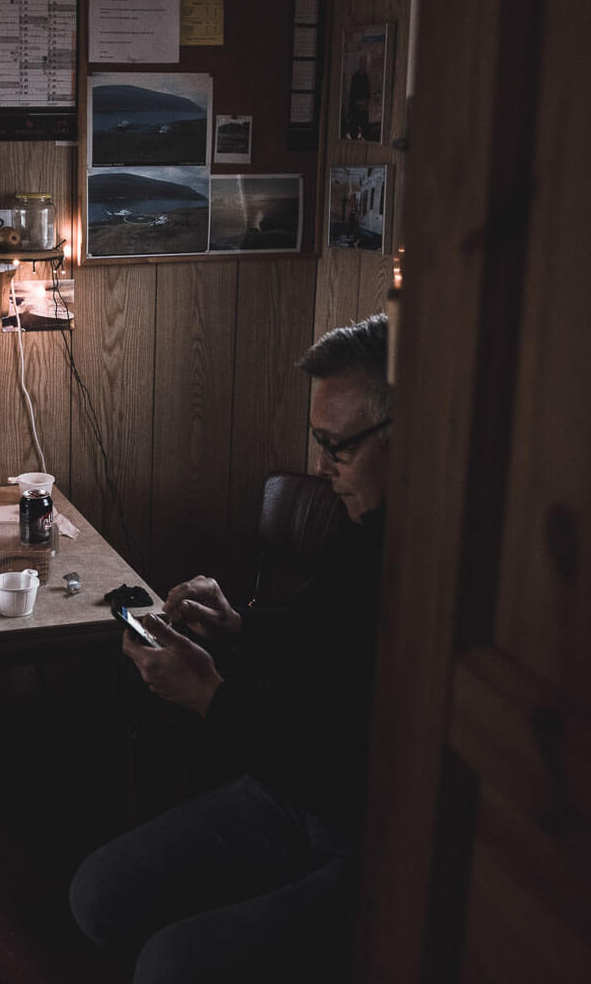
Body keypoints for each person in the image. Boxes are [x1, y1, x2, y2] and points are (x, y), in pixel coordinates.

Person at [70, 315, 391, 983]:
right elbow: (318, 635)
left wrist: (209, 695)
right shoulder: (364, 524)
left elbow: (337, 752)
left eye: (339, 447)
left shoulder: (441, 567)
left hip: (363, 831)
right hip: (290, 794)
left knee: (164, 966)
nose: (319, 467)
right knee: (95, 895)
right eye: (317, 441)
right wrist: (237, 622)